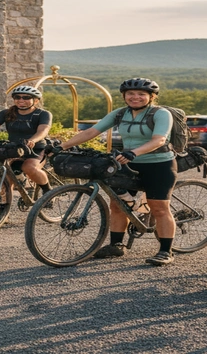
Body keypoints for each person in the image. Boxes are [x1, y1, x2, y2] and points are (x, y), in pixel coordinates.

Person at [50, 78, 178, 266]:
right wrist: (61, 146)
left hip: (158, 164)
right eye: (131, 94)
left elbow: (159, 140)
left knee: (159, 207)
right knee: (117, 204)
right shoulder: (120, 114)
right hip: (127, 163)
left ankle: (166, 251)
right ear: (124, 96)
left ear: (151, 97)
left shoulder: (160, 114)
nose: (135, 97)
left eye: (141, 94)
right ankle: (116, 245)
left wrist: (134, 152)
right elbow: (91, 132)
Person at [0, 85, 53, 225]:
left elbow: (43, 130)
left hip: (36, 148)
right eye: (17, 97)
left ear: (35, 101)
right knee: (6, 178)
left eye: (26, 98)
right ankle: (3, 214)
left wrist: (32, 140)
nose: (21, 100)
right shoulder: (6, 113)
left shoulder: (43, 114)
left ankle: (48, 191)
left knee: (29, 167)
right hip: (15, 148)